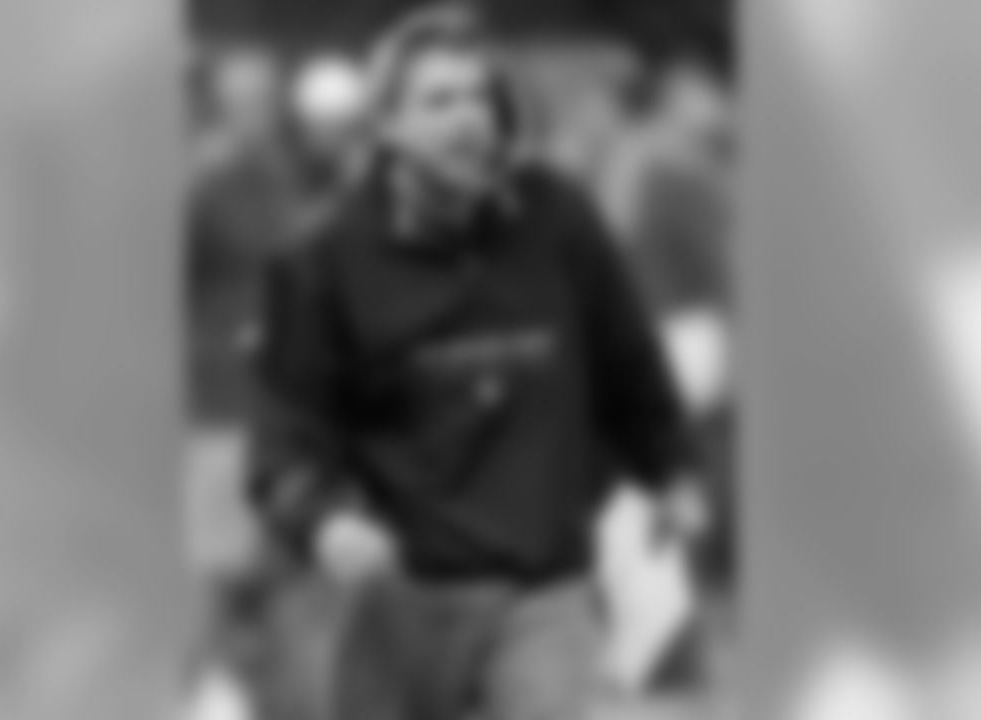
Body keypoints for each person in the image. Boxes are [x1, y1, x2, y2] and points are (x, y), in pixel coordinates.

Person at [245, 7, 710, 720]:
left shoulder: (558, 218)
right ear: (386, 125)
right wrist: (322, 521)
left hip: (544, 588)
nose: (471, 118)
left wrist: (671, 467)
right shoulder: (320, 258)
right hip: (399, 600)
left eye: (482, 96)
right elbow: (285, 435)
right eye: (440, 100)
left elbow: (627, 356)